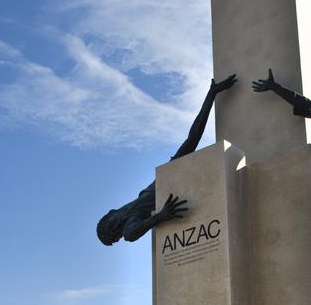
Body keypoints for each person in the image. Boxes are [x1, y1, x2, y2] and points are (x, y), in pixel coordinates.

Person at [97, 74, 237, 245]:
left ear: (111, 213)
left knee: (191, 141)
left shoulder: (130, 207)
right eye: (113, 227)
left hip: (159, 183)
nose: (115, 220)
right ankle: (212, 94)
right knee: (191, 142)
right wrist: (159, 216)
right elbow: (130, 235)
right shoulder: (131, 220)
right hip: (166, 186)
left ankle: (211, 93)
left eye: (111, 220)